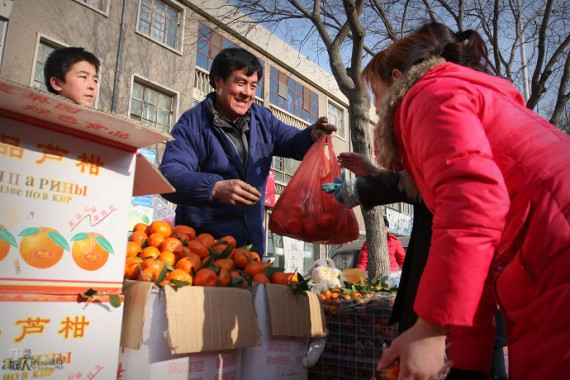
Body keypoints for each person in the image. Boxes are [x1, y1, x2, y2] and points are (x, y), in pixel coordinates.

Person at [358, 22, 569, 379]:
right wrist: (466, 366)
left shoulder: (426, 96)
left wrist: (430, 327)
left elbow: (473, 202)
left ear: (396, 81)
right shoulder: (467, 94)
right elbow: (481, 256)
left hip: (555, 251)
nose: (378, 111)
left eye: (376, 95)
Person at [335, 152, 504, 379]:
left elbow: (428, 181)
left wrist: (429, 328)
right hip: (461, 297)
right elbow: (419, 182)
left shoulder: (452, 138)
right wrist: (374, 174)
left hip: (461, 295)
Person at [159, 47, 336, 255]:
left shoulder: (263, 119)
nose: (247, 93)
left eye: (253, 86)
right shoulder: (193, 123)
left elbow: (292, 141)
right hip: (203, 251)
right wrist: (214, 188)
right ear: (218, 81)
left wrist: (311, 136)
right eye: (240, 83)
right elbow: (168, 177)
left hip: (251, 252)